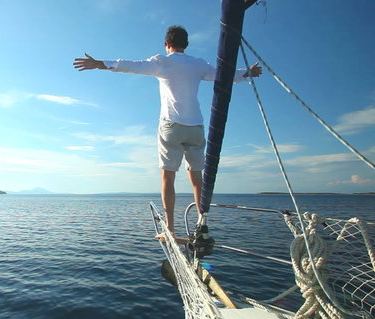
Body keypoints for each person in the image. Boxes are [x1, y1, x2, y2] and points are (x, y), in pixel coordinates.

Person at [74, 25, 262, 236]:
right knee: (197, 177)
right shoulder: (198, 64)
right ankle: (202, 223)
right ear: (186, 45)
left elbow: (130, 66)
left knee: (168, 177)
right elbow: (224, 75)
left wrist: (98, 64)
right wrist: (248, 73)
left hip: (171, 126)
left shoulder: (162, 62)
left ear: (167, 44)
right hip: (196, 127)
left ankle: (170, 230)